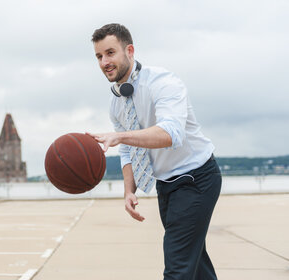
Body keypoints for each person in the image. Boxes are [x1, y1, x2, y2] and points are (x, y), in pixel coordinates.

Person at [88, 23, 222, 280]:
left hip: (196, 178)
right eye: (99, 56)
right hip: (167, 185)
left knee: (177, 268)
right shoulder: (115, 103)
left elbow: (170, 133)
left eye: (110, 53)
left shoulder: (163, 82)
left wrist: (120, 135)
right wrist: (129, 190)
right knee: (194, 263)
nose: (104, 61)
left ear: (129, 50)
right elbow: (127, 149)